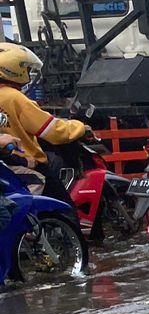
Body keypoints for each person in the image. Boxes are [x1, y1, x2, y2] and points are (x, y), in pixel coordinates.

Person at [0, 42, 92, 201]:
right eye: (26, 69)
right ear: (14, 69)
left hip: (6, 163)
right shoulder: (15, 98)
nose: (28, 73)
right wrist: (81, 127)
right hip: (22, 161)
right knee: (64, 207)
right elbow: (53, 131)